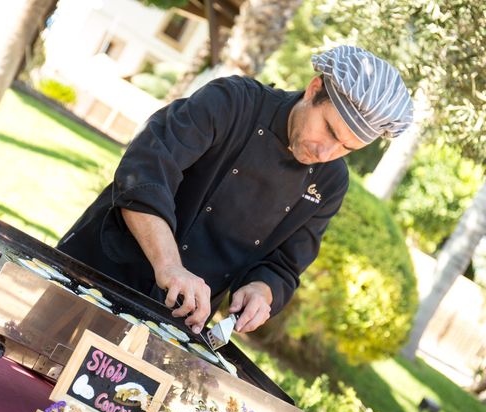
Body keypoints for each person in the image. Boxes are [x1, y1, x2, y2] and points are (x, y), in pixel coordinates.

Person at [57, 45, 413, 336]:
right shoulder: (232, 102)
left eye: (346, 148)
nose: (326, 153)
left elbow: (285, 264)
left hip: (177, 321)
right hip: (101, 270)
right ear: (314, 89)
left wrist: (263, 290)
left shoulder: (331, 182)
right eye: (330, 131)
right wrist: (169, 264)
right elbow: (145, 169)